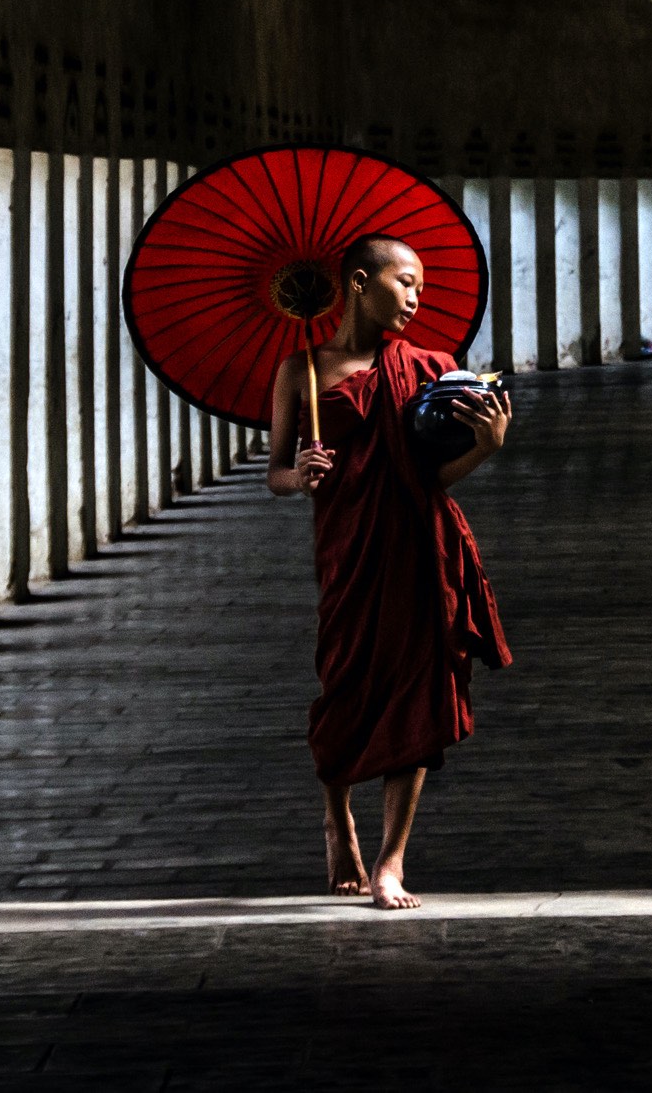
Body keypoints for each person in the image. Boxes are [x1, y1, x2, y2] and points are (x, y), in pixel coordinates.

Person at [266, 234, 512, 909]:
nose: (414, 298)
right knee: (345, 681)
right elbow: (275, 473)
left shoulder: (432, 367)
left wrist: (485, 448)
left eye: (421, 289)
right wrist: (301, 475)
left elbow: (432, 474)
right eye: (404, 282)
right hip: (347, 549)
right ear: (355, 281)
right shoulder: (302, 372)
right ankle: (336, 813)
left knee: (418, 694)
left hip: (418, 544)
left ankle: (391, 861)